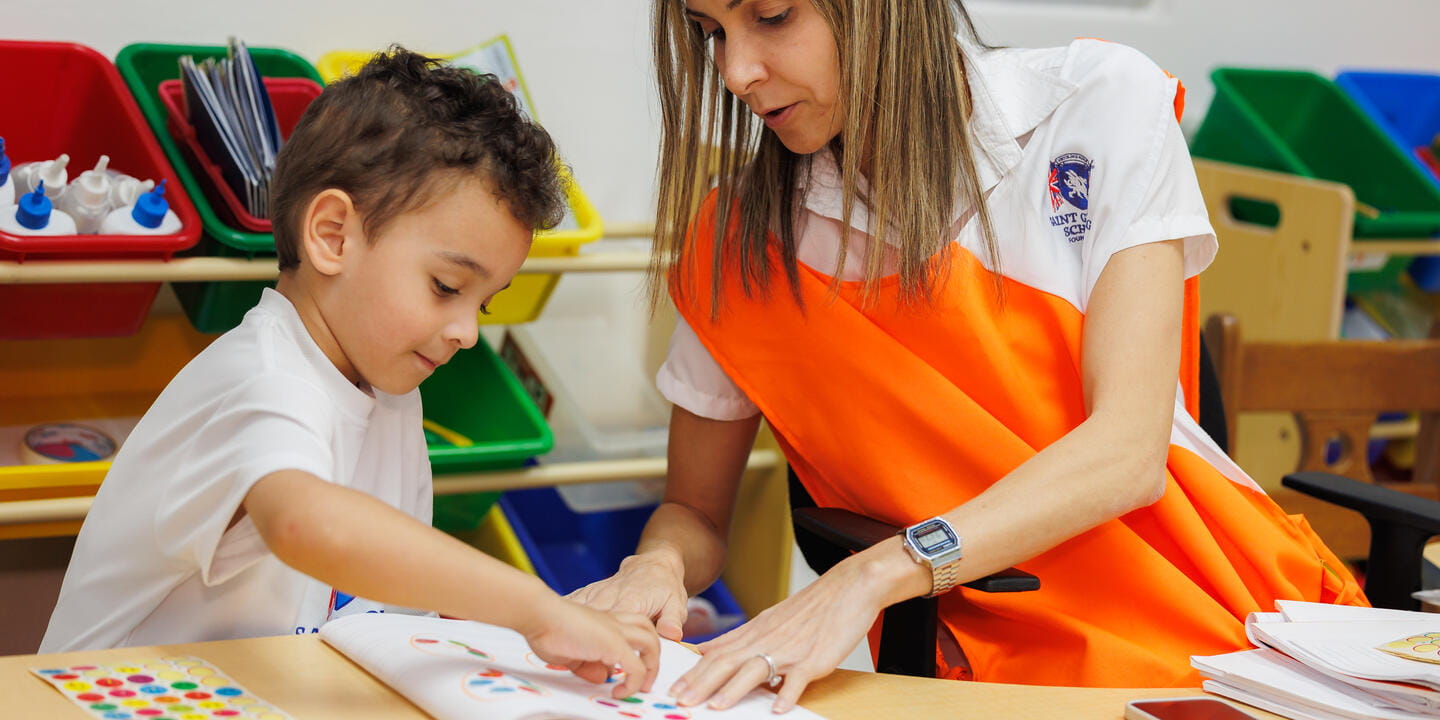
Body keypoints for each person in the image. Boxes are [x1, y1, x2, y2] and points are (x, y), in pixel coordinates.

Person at [570, 0, 1364, 712]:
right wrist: (657, 567)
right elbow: (696, 515)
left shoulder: (1097, 104)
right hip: (984, 668)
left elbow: (1127, 454)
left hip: (1232, 632)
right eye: (709, 32)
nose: (736, 71)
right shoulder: (738, 240)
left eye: (772, 16)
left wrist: (874, 573)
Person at [41, 48, 657, 698]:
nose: (467, 331)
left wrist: (554, 630)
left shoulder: (388, 393)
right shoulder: (261, 379)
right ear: (332, 235)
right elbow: (312, 526)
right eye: (446, 285)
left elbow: (380, 608)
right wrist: (535, 609)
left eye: (484, 302)